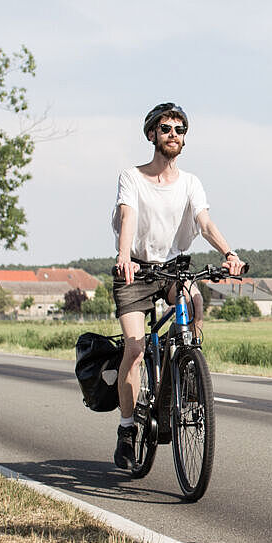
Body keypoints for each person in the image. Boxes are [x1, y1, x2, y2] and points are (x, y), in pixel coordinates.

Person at [110, 102, 245, 470]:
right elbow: (128, 215)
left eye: (180, 130)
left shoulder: (190, 183)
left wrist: (229, 252)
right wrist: (124, 256)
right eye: (166, 128)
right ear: (152, 134)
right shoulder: (132, 176)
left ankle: (186, 367)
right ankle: (126, 429)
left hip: (171, 268)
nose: (173, 135)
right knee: (135, 350)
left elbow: (203, 222)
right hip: (136, 271)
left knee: (194, 301)